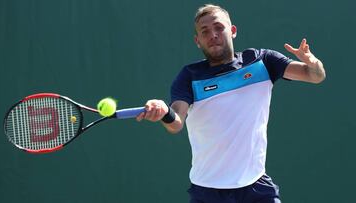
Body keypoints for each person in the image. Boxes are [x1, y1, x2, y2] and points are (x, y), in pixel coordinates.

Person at [136, 4, 326, 203]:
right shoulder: (189, 76)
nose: (213, 35)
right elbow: (176, 122)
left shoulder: (263, 61)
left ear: (233, 31)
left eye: (219, 27)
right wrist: (164, 111)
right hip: (208, 193)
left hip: (257, 188)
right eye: (205, 31)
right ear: (197, 41)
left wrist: (313, 62)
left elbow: (314, 76)